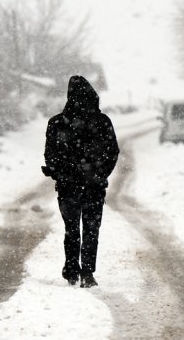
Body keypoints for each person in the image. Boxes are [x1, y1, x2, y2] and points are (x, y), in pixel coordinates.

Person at [42, 75, 119, 288]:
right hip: (94, 187)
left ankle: (72, 270)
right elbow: (112, 152)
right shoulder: (102, 122)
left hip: (68, 187)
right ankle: (87, 272)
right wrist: (99, 174)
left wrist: (61, 172)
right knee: (91, 230)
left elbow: (50, 155)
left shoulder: (57, 123)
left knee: (72, 229)